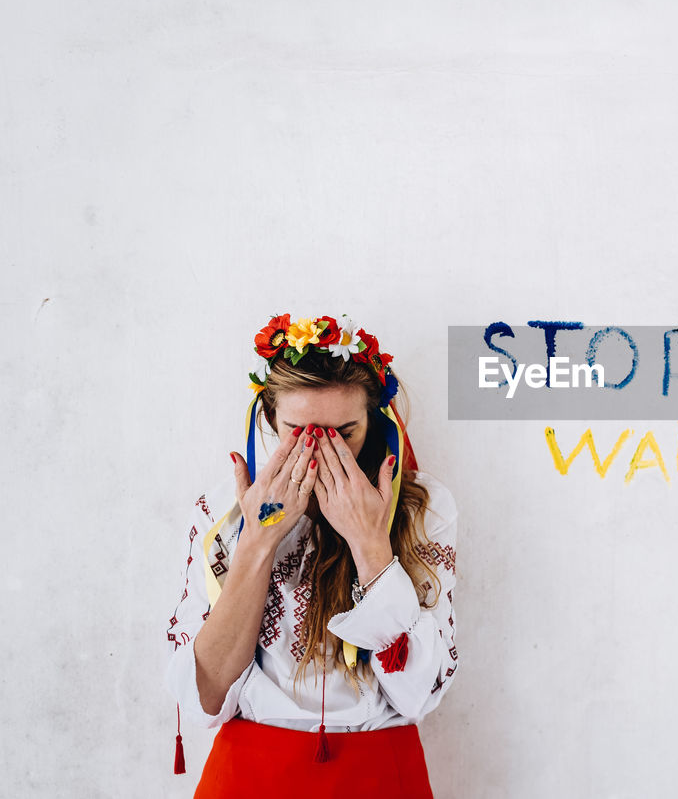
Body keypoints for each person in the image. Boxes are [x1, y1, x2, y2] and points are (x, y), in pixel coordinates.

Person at [164, 313, 459, 797]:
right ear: (268, 420)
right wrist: (258, 543)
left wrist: (370, 544)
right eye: (298, 432)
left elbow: (417, 697)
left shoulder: (424, 507)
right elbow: (205, 702)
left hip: (379, 772)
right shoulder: (223, 512)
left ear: (375, 421)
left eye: (345, 432)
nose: (320, 452)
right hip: (249, 774)